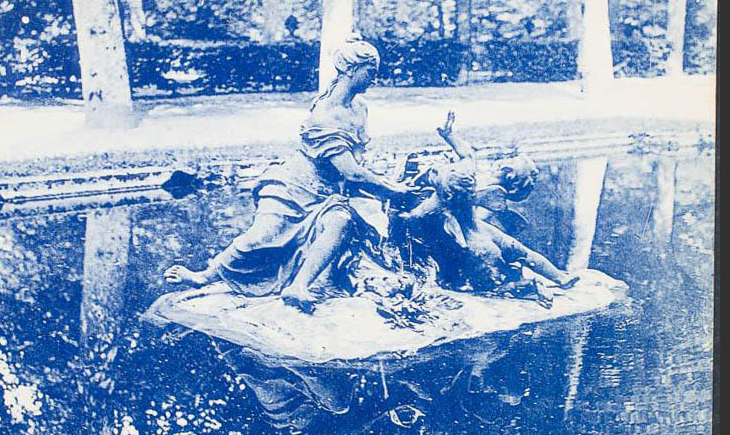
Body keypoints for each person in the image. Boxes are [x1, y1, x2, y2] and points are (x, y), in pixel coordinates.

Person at [164, 35, 416, 311]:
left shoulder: (359, 108)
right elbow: (353, 173)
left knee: (340, 222)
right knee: (261, 237)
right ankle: (204, 276)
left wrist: (382, 186)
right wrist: (391, 189)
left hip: (328, 193)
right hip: (294, 187)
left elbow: (356, 166)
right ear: (350, 70)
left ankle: (298, 286)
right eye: (370, 71)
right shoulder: (324, 115)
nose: (375, 79)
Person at [398, 112, 579, 306]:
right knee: (521, 252)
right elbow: (467, 155)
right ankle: (558, 278)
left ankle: (542, 281)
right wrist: (449, 136)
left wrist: (404, 212)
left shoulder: (441, 197)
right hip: (478, 229)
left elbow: (416, 218)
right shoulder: (466, 176)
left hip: (471, 235)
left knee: (505, 260)